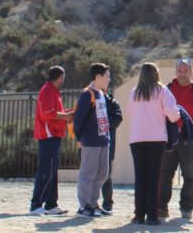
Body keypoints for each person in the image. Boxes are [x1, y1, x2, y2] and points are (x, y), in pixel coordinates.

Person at [126, 62, 182, 225]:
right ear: (155, 74)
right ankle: (152, 216)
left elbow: (130, 112)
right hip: (156, 139)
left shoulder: (134, 92)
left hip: (137, 138)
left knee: (140, 177)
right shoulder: (162, 90)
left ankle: (138, 215)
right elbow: (173, 115)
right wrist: (179, 113)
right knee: (154, 177)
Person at [160, 58, 193, 220]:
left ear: (191, 72)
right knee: (165, 175)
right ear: (175, 72)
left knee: (189, 176)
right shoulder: (166, 90)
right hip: (169, 140)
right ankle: (161, 208)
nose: (182, 74)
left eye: (185, 71)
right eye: (179, 71)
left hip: (189, 140)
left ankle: (186, 208)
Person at [30, 65, 74, 216]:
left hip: (54, 135)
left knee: (52, 171)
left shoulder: (53, 91)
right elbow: (48, 113)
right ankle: (36, 205)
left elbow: (55, 113)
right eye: (63, 77)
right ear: (60, 77)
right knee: (46, 171)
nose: (63, 80)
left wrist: (67, 113)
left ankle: (51, 204)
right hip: (48, 136)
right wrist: (66, 116)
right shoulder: (48, 90)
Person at [73, 63, 113, 218]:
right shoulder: (86, 95)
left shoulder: (101, 94)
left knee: (101, 174)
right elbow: (78, 119)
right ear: (98, 77)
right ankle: (83, 206)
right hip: (91, 141)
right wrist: (79, 138)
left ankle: (93, 204)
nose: (109, 79)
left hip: (103, 140)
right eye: (107, 76)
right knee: (88, 175)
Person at [100, 87, 123, 214]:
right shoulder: (89, 100)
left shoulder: (113, 103)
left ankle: (107, 203)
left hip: (108, 143)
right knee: (90, 174)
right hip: (91, 143)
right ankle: (88, 204)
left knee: (107, 175)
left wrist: (101, 120)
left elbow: (117, 120)